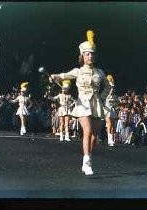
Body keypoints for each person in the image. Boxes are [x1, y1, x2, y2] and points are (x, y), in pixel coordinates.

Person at [49, 30, 110, 175]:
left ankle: (87, 156)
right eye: (87, 54)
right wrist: (55, 77)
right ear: (82, 56)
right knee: (87, 131)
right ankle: (87, 162)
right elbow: (64, 75)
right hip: (82, 104)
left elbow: (108, 86)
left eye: (92, 54)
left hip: (96, 104)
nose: (90, 56)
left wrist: (102, 97)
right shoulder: (78, 71)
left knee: (95, 137)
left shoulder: (100, 72)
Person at [103, 75, 119, 146]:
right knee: (109, 124)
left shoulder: (115, 96)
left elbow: (117, 103)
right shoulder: (104, 95)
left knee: (112, 126)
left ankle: (111, 138)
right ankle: (109, 139)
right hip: (107, 110)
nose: (112, 89)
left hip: (112, 111)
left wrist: (116, 107)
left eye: (113, 88)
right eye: (111, 88)